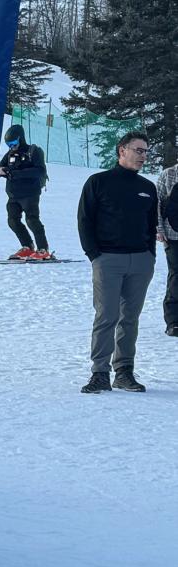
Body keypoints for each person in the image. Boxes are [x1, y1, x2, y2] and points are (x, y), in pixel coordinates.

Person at [78, 132, 158, 394]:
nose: (143, 156)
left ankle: (124, 371)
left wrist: (149, 255)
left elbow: (150, 225)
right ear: (122, 150)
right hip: (108, 260)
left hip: (141, 262)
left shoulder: (148, 188)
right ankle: (100, 373)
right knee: (106, 316)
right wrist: (95, 255)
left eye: (146, 151)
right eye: (139, 150)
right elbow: (85, 220)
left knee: (130, 319)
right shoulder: (98, 182)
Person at [0, 124, 51, 260]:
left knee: (32, 220)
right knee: (12, 221)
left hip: (30, 193)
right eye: (8, 144)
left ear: (21, 139)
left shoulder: (33, 151)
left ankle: (43, 249)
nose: (12, 146)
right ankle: (27, 246)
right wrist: (0, 171)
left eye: (14, 143)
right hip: (13, 195)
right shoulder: (10, 155)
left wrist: (16, 173)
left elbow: (40, 170)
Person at [156, 156, 178, 336]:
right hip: (173, 235)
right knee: (176, 276)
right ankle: (173, 321)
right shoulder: (169, 175)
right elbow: (157, 203)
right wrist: (159, 229)